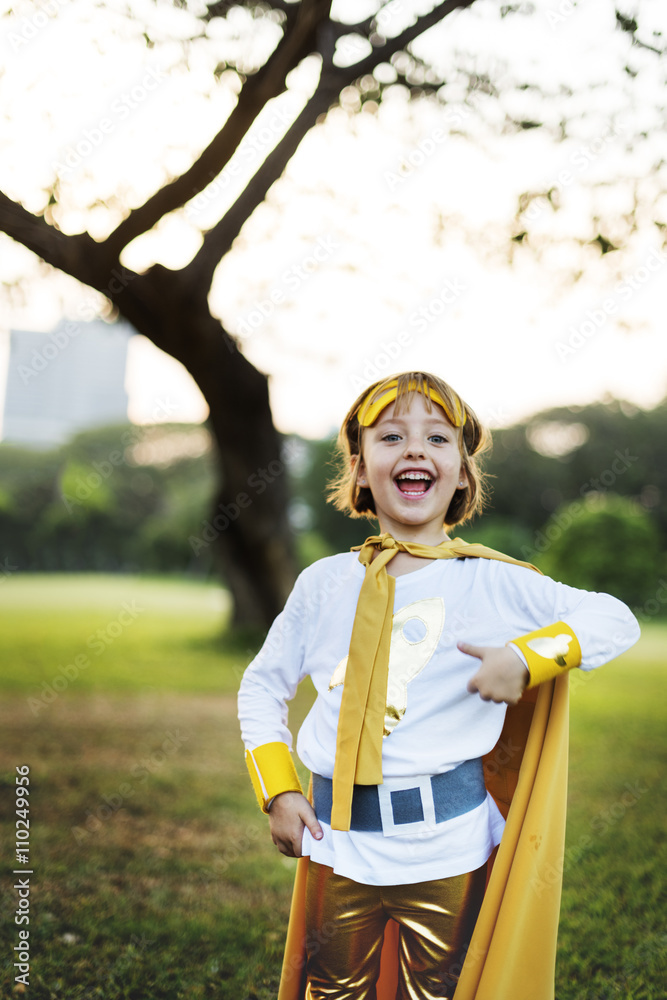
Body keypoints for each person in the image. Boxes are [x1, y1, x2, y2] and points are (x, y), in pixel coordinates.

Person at [237, 371, 640, 1000]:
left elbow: (615, 617)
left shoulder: (491, 582)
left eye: (438, 439)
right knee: (332, 988)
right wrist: (278, 791)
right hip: (337, 845)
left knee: (446, 991)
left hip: (449, 845)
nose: (415, 451)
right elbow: (262, 687)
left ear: (461, 474)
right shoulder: (324, 584)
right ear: (362, 469)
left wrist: (527, 657)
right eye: (391, 436)